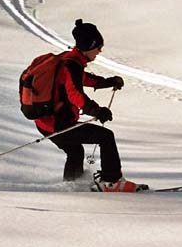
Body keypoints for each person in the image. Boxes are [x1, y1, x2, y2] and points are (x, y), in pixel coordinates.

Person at [35, 19, 140, 192]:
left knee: (75, 151)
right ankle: (111, 181)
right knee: (106, 136)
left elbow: (82, 80)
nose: (100, 51)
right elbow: (74, 92)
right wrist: (96, 110)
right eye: (98, 47)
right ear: (89, 46)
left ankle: (72, 186)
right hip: (57, 123)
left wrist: (108, 82)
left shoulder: (68, 60)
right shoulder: (72, 64)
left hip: (46, 122)